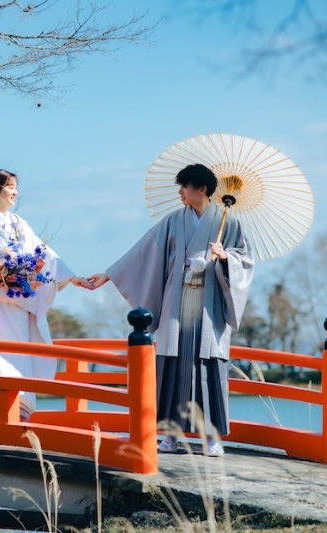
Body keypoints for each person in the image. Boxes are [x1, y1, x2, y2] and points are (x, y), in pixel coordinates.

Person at [88, 163, 254, 456]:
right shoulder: (173, 221)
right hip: (175, 303)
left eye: (185, 187)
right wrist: (110, 273)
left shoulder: (230, 223)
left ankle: (211, 438)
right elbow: (143, 252)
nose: (180, 192)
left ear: (201, 189)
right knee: (173, 368)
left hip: (209, 306)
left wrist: (224, 258)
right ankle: (170, 435)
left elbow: (245, 261)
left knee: (208, 369)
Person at [0, 169, 91, 421]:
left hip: (17, 303)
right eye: (9, 186)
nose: (14, 192)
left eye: (16, 187)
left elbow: (44, 254)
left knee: (18, 356)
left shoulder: (19, 223)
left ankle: (19, 410)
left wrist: (70, 276)